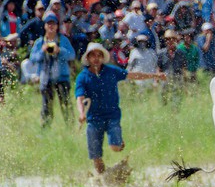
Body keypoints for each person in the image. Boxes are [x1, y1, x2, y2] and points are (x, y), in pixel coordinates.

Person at [75, 42, 166, 174]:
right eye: (93, 55)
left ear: (102, 57)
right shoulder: (82, 77)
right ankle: (102, 181)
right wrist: (81, 113)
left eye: (99, 55)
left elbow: (132, 75)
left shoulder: (111, 71)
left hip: (112, 115)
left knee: (115, 147)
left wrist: (154, 76)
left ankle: (119, 142)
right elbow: (80, 97)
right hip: (93, 118)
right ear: (88, 58)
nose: (96, 58)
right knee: (96, 157)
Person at [30, 13, 76, 126]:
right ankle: (45, 128)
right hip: (46, 78)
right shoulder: (40, 42)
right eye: (48, 23)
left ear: (57, 25)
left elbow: (72, 55)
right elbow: (33, 58)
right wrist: (42, 50)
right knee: (46, 107)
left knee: (66, 104)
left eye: (53, 23)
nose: (51, 26)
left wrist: (59, 50)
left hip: (62, 77)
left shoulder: (63, 40)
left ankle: (70, 126)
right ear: (44, 25)